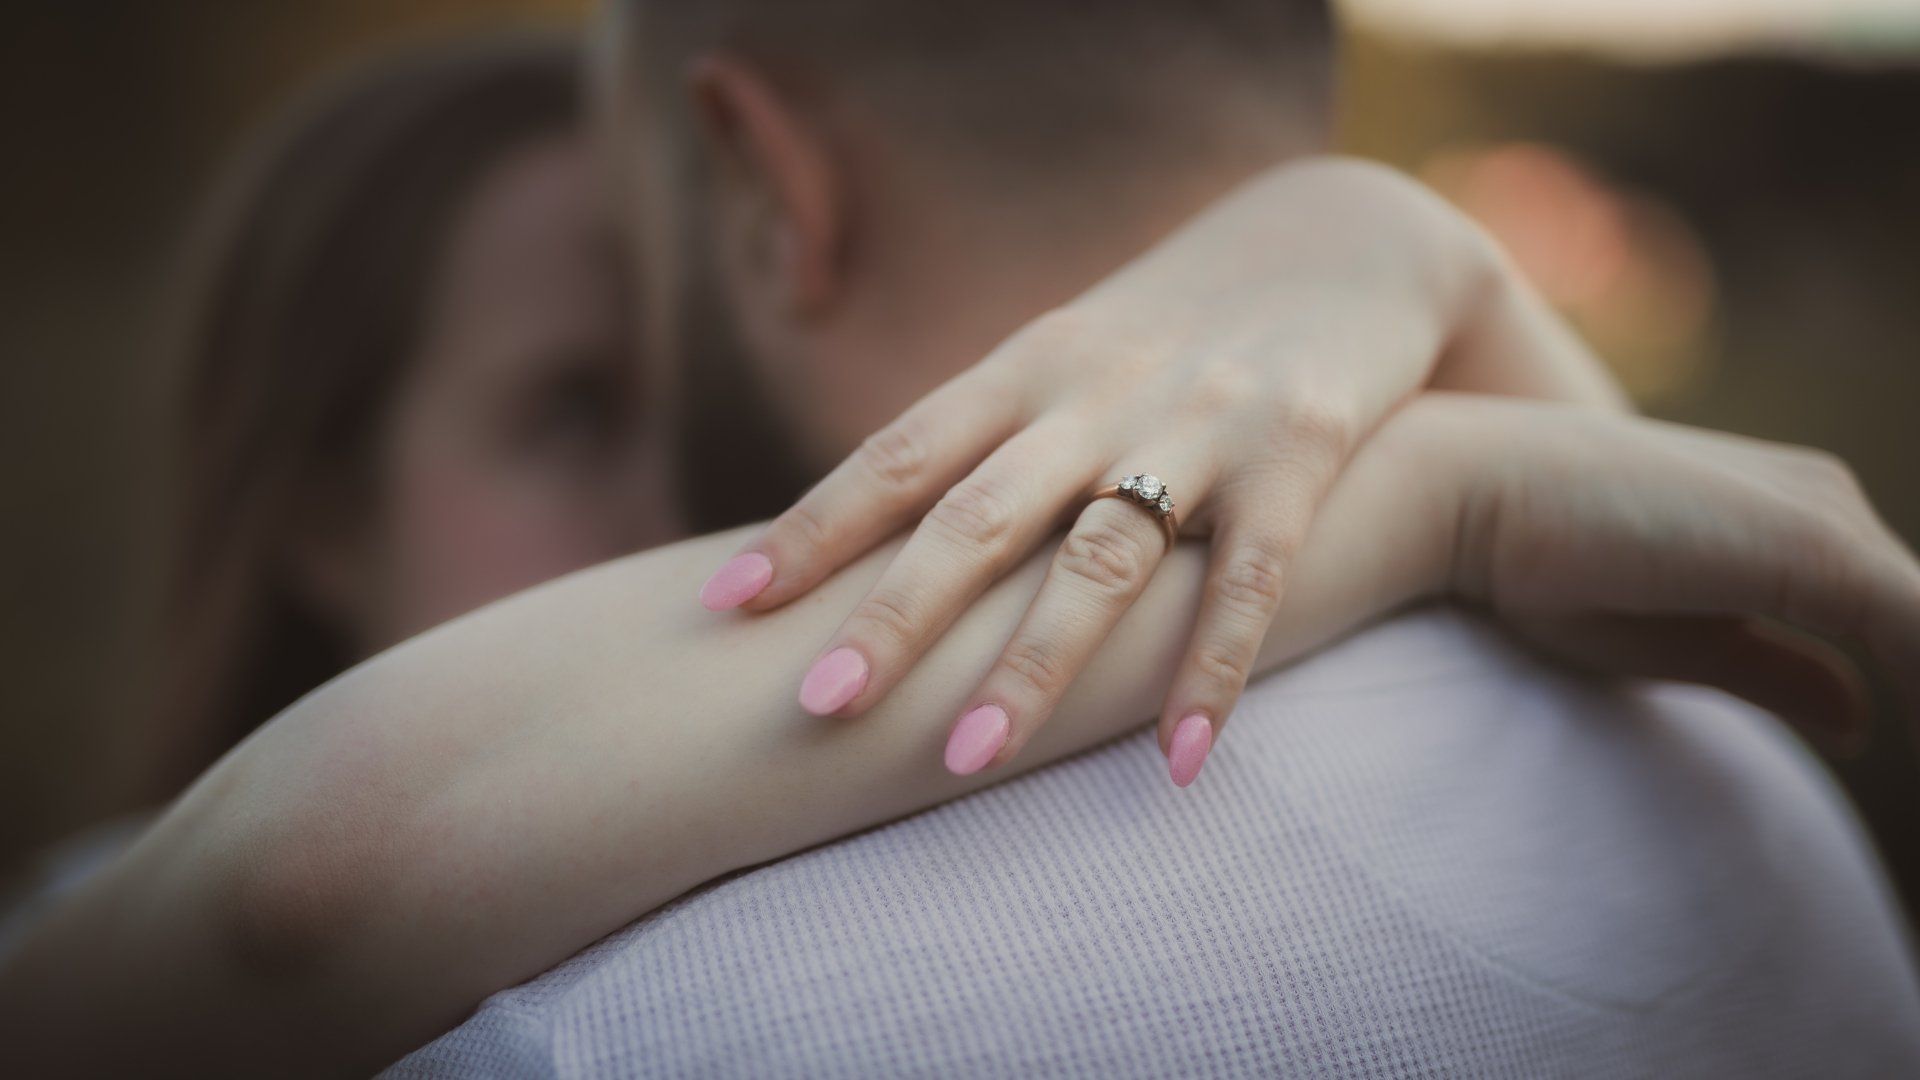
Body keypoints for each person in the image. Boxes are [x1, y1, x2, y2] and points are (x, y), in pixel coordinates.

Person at [5, 6, 1920, 1079]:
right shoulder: (1759, 826)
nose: (687, 518)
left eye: (642, 378)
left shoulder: (611, 1030)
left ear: (767, 192)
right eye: (570, 404)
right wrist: (1425, 441)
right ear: (313, 511)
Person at [1, 38, 676, 934]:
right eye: (574, 412)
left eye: (713, 406)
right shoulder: (75, 984)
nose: (681, 499)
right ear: (327, 521)